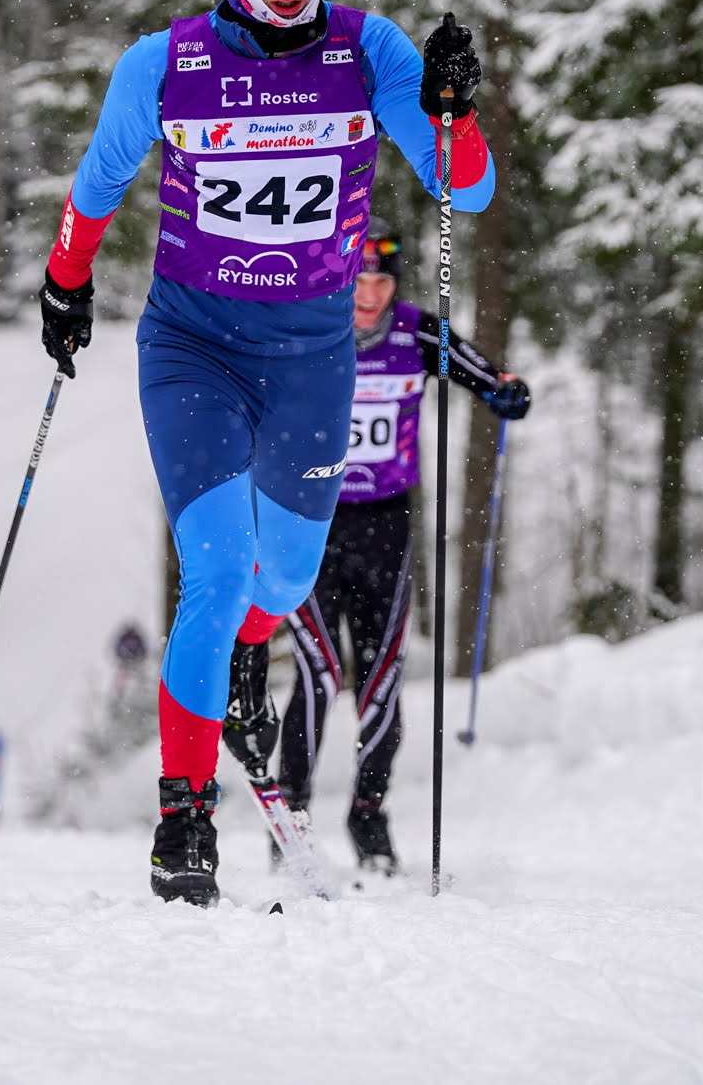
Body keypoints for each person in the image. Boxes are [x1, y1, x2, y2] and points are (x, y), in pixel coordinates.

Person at [36, 0, 497, 904]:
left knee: (279, 582)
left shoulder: (367, 51)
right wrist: (65, 282)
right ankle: (182, 815)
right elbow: (100, 177)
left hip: (309, 359)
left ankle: (248, 660)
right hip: (193, 350)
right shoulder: (167, 62)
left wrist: (452, 110)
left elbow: (459, 194)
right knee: (213, 572)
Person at [221, 219, 530, 874]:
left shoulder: (415, 331)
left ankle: (369, 815)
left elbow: (483, 373)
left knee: (382, 678)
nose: (369, 293)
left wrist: (504, 393)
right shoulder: (307, 324)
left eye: (382, 279)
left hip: (385, 527)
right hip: (308, 521)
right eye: (358, 279)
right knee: (317, 671)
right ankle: (291, 814)